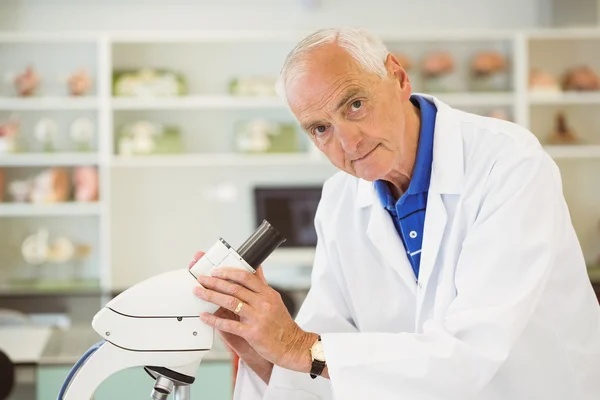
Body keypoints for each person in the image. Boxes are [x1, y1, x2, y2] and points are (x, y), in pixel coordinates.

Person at [190, 28, 600, 399]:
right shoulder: (339, 199)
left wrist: (295, 346)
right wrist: (261, 348)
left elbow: (471, 353)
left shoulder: (507, 162)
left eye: (354, 104)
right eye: (320, 128)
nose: (347, 142)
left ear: (399, 78)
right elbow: (323, 351)